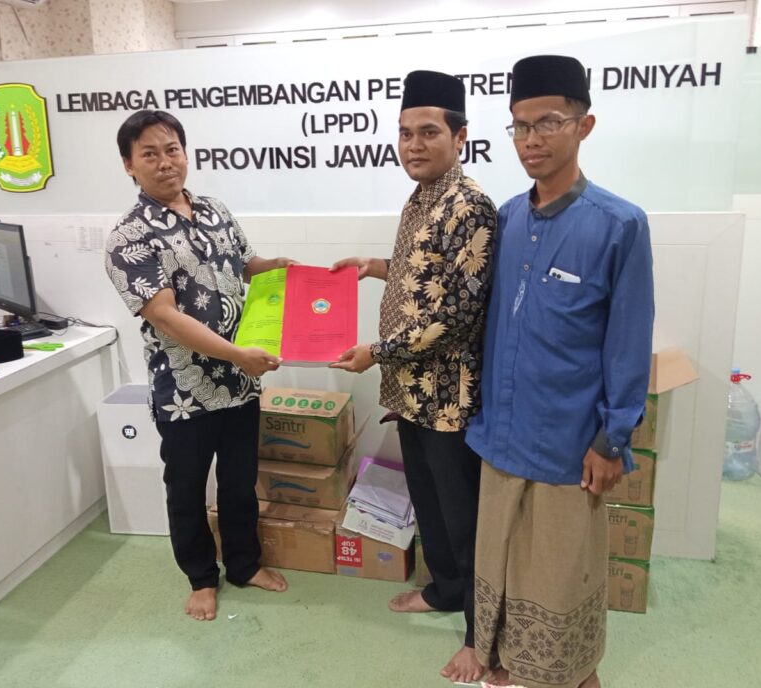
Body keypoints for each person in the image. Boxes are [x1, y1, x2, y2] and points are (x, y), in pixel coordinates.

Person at [466, 55, 654, 688]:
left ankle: (573, 675)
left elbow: (628, 342)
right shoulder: (508, 218)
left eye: (548, 122)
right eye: (520, 126)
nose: (531, 139)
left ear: (584, 125)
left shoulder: (618, 224)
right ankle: (507, 667)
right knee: (499, 564)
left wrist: (612, 438)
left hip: (570, 443)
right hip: (502, 433)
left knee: (559, 575)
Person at [331, 70, 497, 684]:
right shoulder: (421, 197)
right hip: (412, 393)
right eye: (405, 133)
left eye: (428, 132)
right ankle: (446, 588)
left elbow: (456, 316)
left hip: (450, 397)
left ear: (460, 136)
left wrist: (376, 352)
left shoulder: (469, 205)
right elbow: (426, 273)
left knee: (465, 517)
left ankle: (481, 636)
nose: (414, 144)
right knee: (428, 504)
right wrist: (377, 265)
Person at [105, 110, 291, 622]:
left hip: (241, 381)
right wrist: (237, 355)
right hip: (184, 389)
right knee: (186, 488)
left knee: (239, 480)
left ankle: (244, 565)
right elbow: (164, 314)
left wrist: (280, 268)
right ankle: (201, 578)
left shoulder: (215, 210)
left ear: (185, 153)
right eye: (149, 154)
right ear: (129, 165)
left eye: (172, 150)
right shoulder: (128, 237)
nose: (165, 162)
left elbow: (246, 265)